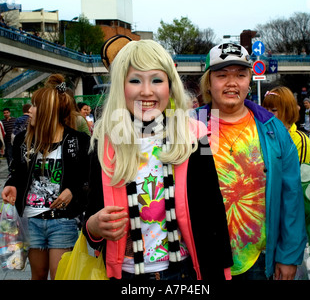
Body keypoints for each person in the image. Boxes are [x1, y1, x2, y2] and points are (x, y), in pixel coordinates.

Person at [83, 39, 233, 281]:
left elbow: (213, 211)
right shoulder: (104, 142)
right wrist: (93, 226)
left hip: (183, 273)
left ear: (170, 85)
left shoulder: (196, 136)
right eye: (134, 80)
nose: (146, 91)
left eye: (156, 80)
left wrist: (222, 273)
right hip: (126, 275)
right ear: (121, 87)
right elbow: (90, 215)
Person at [197, 42, 307, 280]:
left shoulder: (272, 129)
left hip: (258, 260)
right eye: (222, 75)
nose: (232, 83)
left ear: (249, 80)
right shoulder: (190, 126)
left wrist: (288, 255)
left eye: (240, 74)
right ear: (208, 82)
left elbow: (291, 196)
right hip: (201, 258)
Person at [1, 78, 90, 280]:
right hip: (31, 220)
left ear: (47, 111)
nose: (29, 110)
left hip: (62, 221)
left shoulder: (78, 141)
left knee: (60, 276)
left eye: (34, 105)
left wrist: (73, 190)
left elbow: (88, 177)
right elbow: (16, 173)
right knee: (37, 276)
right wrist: (11, 186)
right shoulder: (24, 140)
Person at [262, 86, 310, 164]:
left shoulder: (300, 141)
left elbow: (297, 173)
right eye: (265, 110)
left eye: (274, 110)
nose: (267, 114)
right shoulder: (260, 135)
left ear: (287, 111)